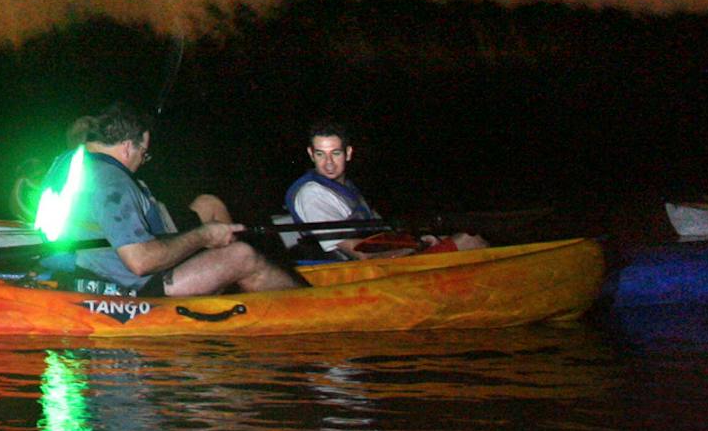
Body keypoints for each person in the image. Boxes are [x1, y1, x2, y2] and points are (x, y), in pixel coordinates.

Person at [54, 102, 297, 296]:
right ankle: (303, 305)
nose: (142, 162)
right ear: (127, 147)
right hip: (134, 288)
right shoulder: (113, 181)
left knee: (207, 211)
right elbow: (141, 262)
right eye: (143, 153)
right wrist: (204, 235)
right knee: (242, 255)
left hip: (88, 272)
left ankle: (226, 284)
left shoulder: (66, 163)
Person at [285, 120, 485, 259]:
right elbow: (360, 254)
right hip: (365, 274)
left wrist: (418, 241)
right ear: (311, 154)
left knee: (458, 237)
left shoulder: (346, 188)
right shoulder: (312, 194)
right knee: (470, 241)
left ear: (348, 153)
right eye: (321, 154)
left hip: (387, 261)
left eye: (335, 153)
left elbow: (382, 234)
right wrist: (417, 248)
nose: (328, 164)